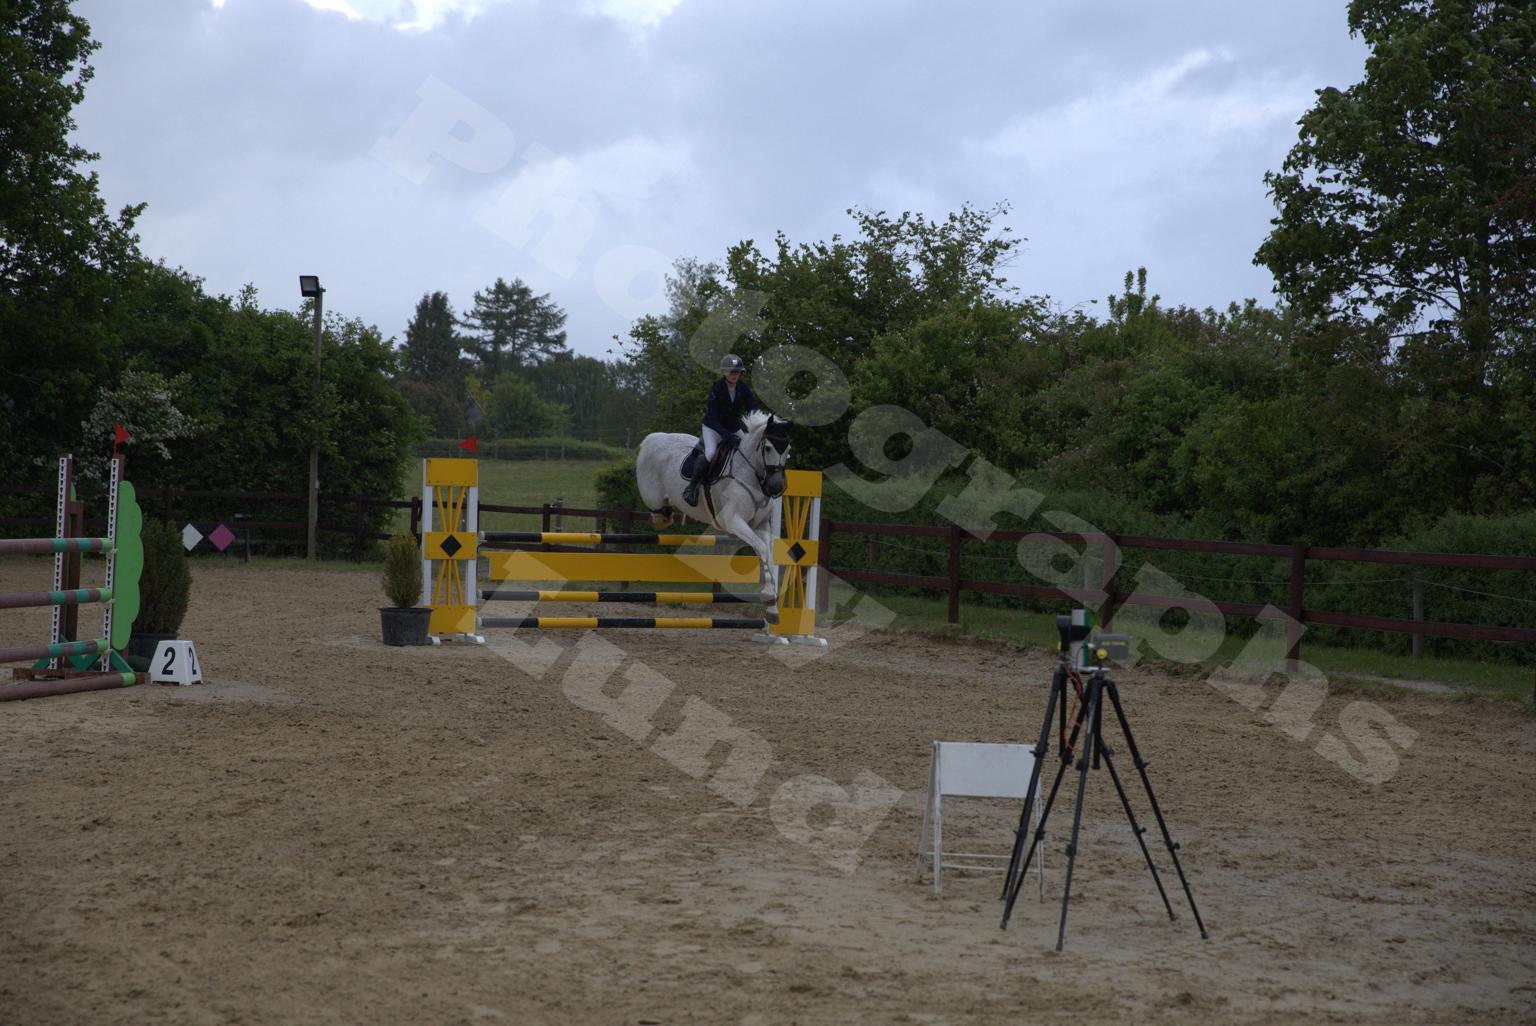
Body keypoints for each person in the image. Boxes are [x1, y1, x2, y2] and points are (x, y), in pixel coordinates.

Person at [684, 354, 757, 505]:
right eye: (732, 372)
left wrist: (759, 423)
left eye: (737, 372)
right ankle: (691, 488)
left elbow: (752, 409)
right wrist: (726, 435)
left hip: (733, 427)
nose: (735, 375)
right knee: (710, 452)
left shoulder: (743, 388)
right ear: (724, 372)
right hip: (713, 428)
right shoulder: (716, 388)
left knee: (748, 451)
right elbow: (712, 417)